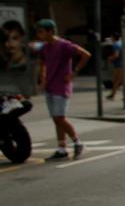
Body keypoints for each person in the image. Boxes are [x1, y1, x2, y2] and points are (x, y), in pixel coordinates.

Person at [34, 19, 90, 161]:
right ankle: (61, 148)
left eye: (41, 32)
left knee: (60, 117)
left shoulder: (64, 45)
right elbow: (42, 63)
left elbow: (86, 55)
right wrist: (42, 78)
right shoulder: (45, 48)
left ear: (50, 32)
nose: (39, 35)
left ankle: (78, 142)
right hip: (50, 86)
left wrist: (74, 72)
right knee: (56, 119)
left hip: (61, 86)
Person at [106, 35, 123, 100]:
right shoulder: (120, 43)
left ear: (113, 38)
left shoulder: (115, 45)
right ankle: (112, 94)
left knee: (117, 80)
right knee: (118, 80)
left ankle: (113, 95)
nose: (111, 39)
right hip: (120, 64)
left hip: (119, 65)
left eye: (111, 37)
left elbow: (116, 55)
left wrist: (110, 58)